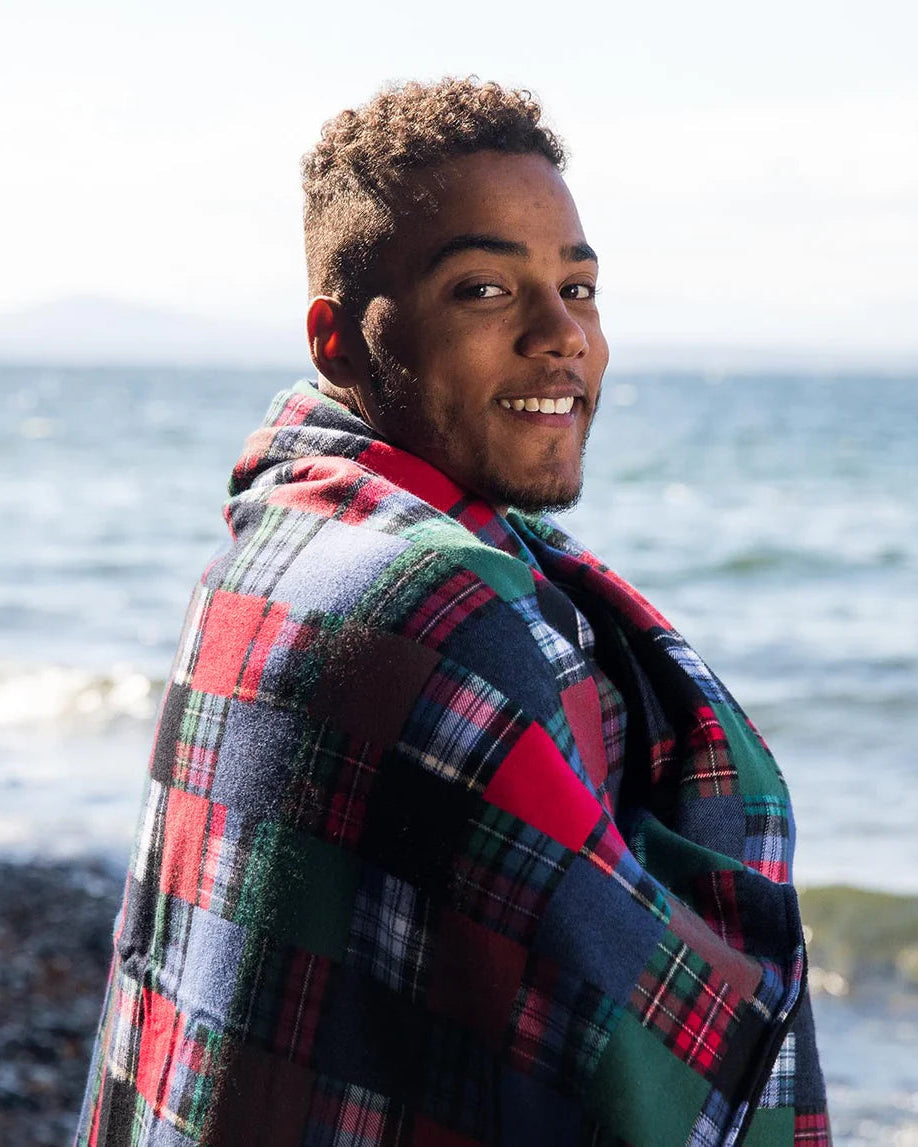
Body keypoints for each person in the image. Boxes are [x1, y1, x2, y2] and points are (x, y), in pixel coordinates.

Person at [77, 78, 829, 1146]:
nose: (561, 334)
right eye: (483, 289)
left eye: (579, 287)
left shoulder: (272, 549)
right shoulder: (450, 615)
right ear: (338, 341)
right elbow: (629, 1069)